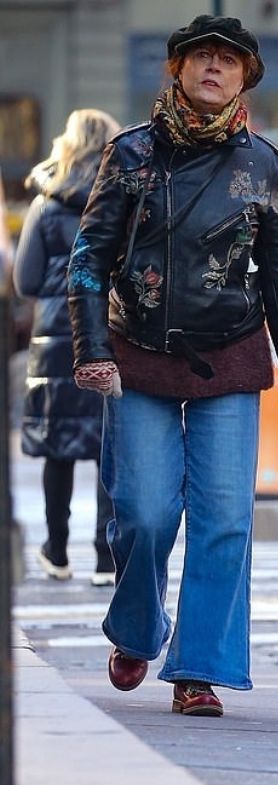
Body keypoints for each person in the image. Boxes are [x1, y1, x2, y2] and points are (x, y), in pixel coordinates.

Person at [67, 14, 278, 718]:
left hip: (230, 355)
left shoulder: (263, 165)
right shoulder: (130, 156)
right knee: (144, 513)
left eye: (230, 60)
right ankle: (138, 630)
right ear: (175, 69)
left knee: (225, 518)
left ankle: (198, 668)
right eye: (201, 57)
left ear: (246, 77)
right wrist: (92, 350)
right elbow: (87, 262)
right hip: (140, 355)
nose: (215, 67)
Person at [13, 109, 121, 586]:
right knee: (107, 445)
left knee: (59, 444)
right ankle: (104, 555)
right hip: (110, 327)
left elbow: (26, 280)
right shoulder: (120, 198)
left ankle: (56, 551)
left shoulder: (45, 203)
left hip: (56, 334)